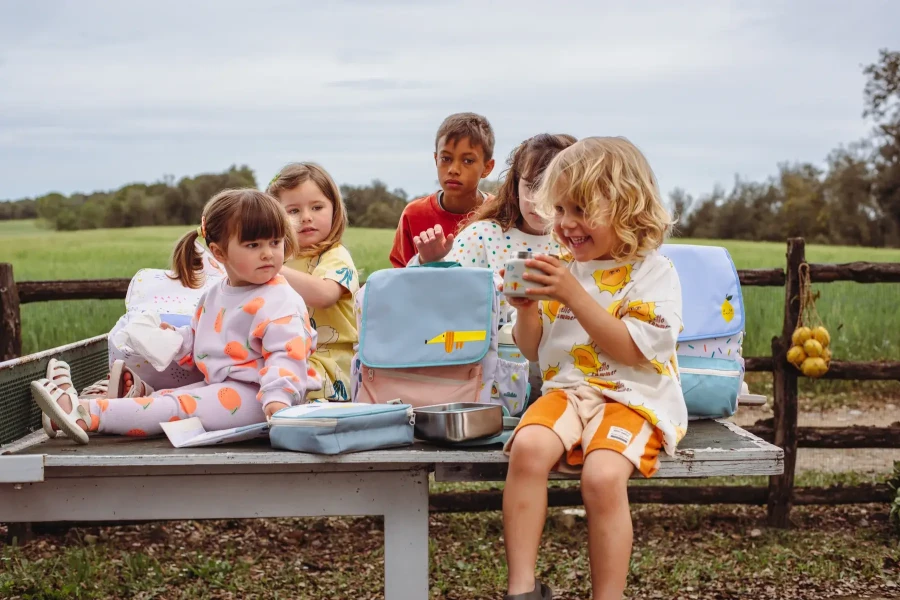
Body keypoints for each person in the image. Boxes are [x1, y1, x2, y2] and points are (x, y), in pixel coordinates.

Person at [500, 137, 687, 600]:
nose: (566, 225)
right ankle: (522, 588)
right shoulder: (559, 267)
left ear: (627, 206)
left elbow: (631, 350)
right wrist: (525, 309)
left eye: (581, 210)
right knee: (526, 450)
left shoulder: (653, 272)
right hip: (566, 393)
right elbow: (530, 349)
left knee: (602, 478)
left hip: (633, 397)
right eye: (560, 210)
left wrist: (572, 295)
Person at [31, 189, 320, 444]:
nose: (268, 254)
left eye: (275, 242)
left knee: (175, 406)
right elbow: (201, 340)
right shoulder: (215, 295)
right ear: (219, 253)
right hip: (225, 389)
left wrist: (278, 401)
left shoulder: (280, 300)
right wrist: (175, 340)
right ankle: (72, 412)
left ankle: (84, 413)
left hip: (262, 399)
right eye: (253, 245)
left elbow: (287, 355)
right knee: (161, 400)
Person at [410, 133, 576, 325]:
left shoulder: (579, 244)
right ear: (515, 186)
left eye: (551, 188)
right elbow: (437, 302)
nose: (538, 200)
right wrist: (431, 262)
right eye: (531, 187)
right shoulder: (481, 236)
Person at [268, 162, 359, 401]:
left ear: (334, 209)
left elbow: (325, 295)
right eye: (293, 211)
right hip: (284, 356)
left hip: (330, 365)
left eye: (317, 207)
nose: (306, 217)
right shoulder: (282, 259)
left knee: (274, 385)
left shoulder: (335, 256)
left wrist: (271, 269)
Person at [389, 112, 496, 268]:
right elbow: (399, 276)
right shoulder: (413, 215)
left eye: (468, 160)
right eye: (446, 158)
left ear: (487, 167)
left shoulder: (500, 214)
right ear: (436, 159)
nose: (453, 169)